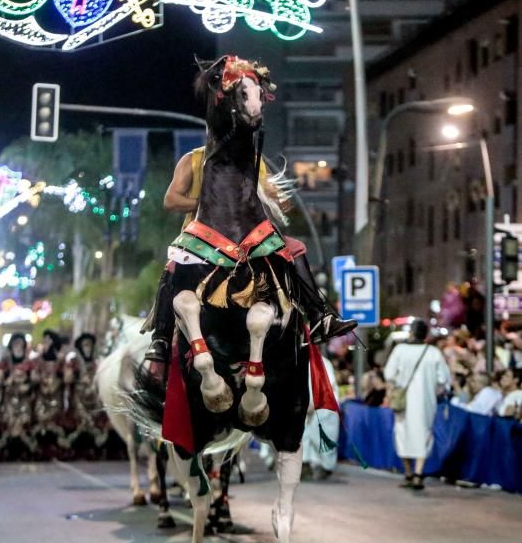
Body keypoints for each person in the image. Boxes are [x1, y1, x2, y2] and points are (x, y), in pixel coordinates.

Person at [141, 139, 355, 368]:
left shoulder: (255, 161)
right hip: (203, 238)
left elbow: (280, 201)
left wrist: (275, 198)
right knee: (173, 265)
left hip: (249, 239)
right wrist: (208, 203)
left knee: (295, 249)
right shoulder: (192, 160)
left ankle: (318, 317)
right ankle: (161, 339)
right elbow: (170, 199)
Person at [383, 320, 450, 489]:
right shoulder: (433, 352)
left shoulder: (400, 350)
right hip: (425, 401)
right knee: (423, 434)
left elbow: (389, 373)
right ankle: (418, 473)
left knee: (403, 434)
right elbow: (444, 379)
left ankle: (408, 472)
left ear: (411, 333)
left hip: (403, 400)